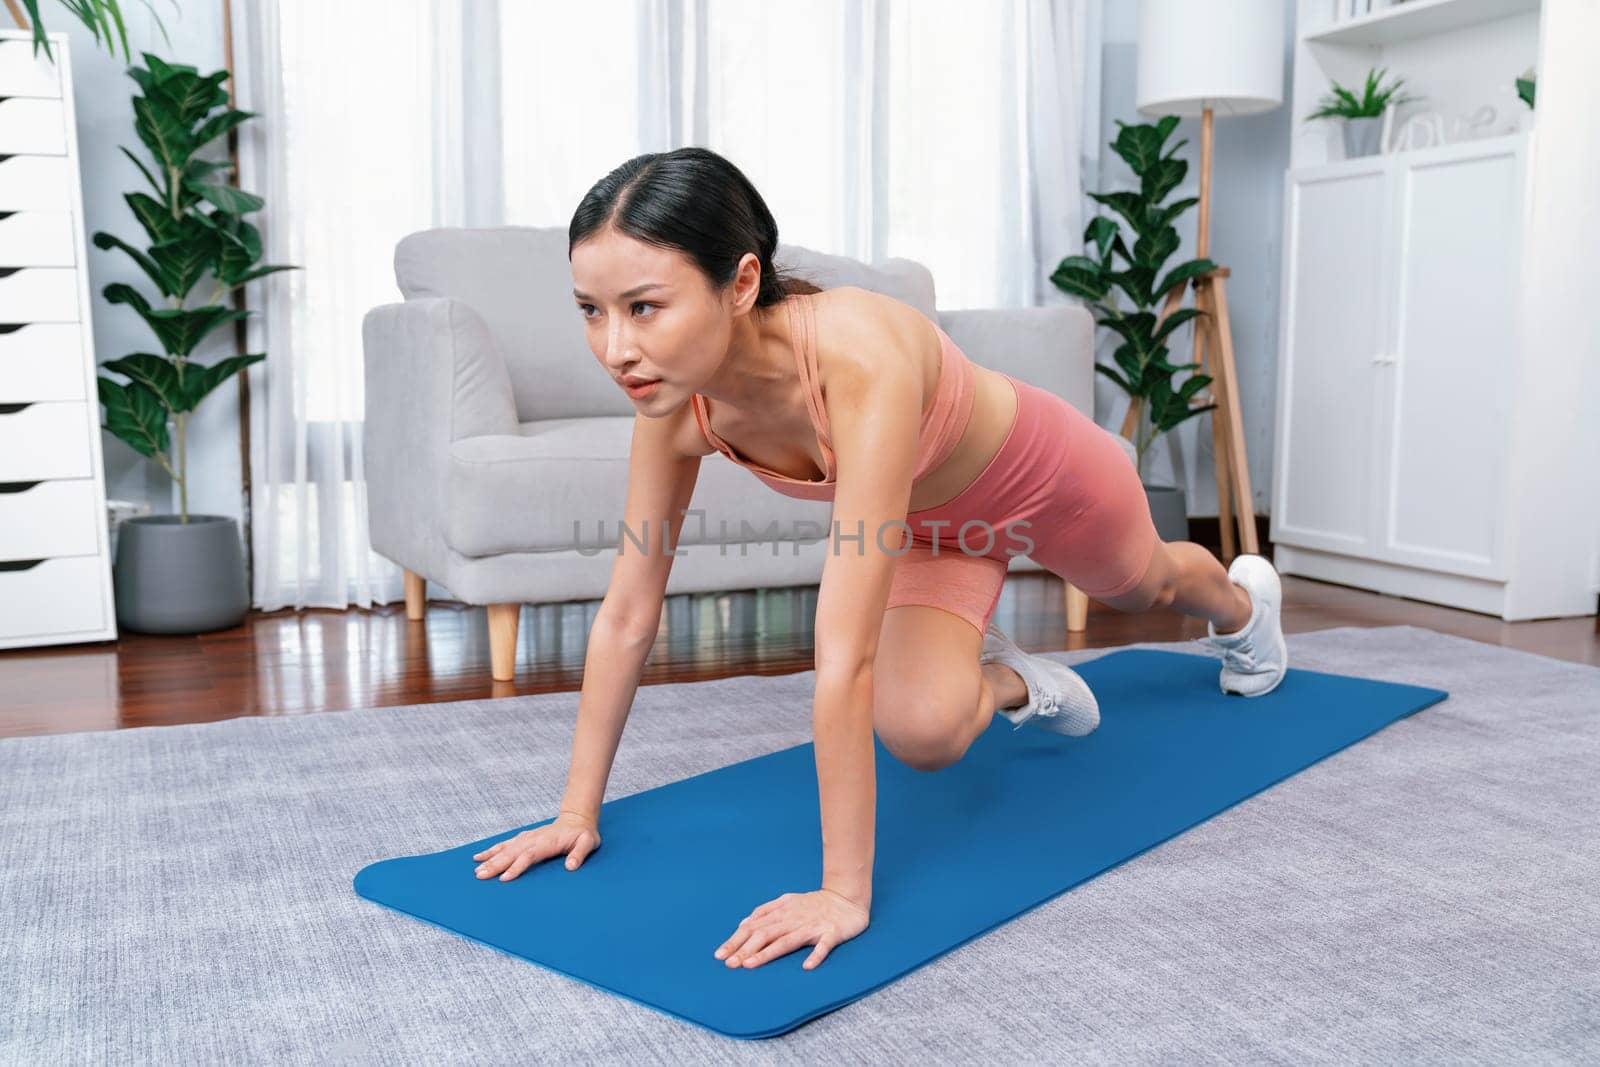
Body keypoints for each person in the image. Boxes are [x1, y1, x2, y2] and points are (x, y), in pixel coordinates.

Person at [469, 146, 1289, 972]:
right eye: (592, 310)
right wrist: (577, 810)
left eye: (644, 307)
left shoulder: (857, 356)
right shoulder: (676, 409)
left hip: (1048, 477)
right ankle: (1021, 682)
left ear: (743, 282)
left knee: (1144, 585)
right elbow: (628, 608)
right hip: (928, 528)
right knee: (923, 732)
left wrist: (841, 891)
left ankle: (1247, 611)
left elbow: (843, 649)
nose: (615, 348)